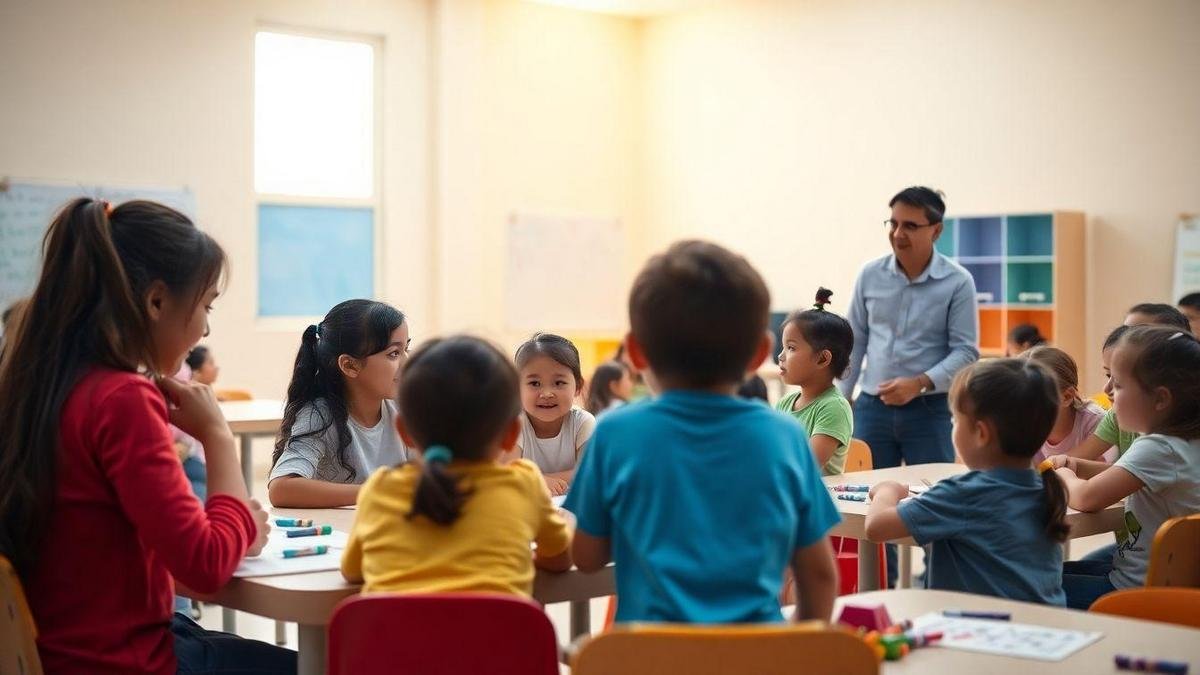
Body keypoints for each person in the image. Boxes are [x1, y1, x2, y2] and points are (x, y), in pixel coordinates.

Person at [0, 198, 293, 673]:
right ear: (157, 301)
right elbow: (204, 564)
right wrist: (217, 435)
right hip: (121, 659)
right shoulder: (121, 400)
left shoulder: (39, 386)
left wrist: (226, 528)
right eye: (204, 306)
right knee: (324, 663)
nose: (204, 329)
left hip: (65, 647)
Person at [566, 240, 840, 624]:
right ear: (758, 353)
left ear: (636, 353)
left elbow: (588, 557)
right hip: (754, 659)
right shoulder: (784, 437)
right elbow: (820, 578)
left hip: (645, 660)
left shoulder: (615, 432)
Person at [341, 335, 573, 595]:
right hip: (498, 635)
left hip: (401, 636)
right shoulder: (524, 484)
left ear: (403, 432)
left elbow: (353, 572)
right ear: (511, 435)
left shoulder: (381, 489)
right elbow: (559, 560)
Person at [842, 186, 980, 584]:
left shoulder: (958, 282)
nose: (898, 233)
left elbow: (966, 352)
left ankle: (936, 587)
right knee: (870, 506)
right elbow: (856, 339)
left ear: (935, 231)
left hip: (929, 410)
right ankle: (879, 591)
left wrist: (919, 383)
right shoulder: (870, 273)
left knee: (933, 504)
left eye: (910, 226)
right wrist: (843, 398)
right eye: (893, 223)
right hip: (871, 407)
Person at [866, 359, 1068, 605]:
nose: (953, 426)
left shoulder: (965, 493)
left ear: (981, 433)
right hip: (1043, 628)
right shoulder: (1045, 487)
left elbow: (876, 527)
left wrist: (887, 491)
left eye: (955, 420)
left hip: (981, 633)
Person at [1053, 326, 1200, 609]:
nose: (1106, 391)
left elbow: (1086, 498)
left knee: (1026, 585)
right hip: (1161, 584)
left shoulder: (1159, 448)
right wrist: (1077, 465)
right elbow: (1124, 476)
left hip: (1138, 592)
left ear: (1160, 399)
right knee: (1047, 576)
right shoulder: (1182, 444)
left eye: (1117, 384)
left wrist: (1064, 474)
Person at [268, 299, 412, 508]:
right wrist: (376, 490)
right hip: (338, 536)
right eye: (394, 354)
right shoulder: (320, 416)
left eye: (407, 348)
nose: (407, 361)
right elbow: (281, 489)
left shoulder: (403, 408)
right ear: (350, 365)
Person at [776, 287, 855, 475]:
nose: (780, 356)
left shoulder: (834, 408)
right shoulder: (784, 404)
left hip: (815, 501)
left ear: (822, 359)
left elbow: (803, 468)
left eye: (791, 348)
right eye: (783, 347)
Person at [509, 333, 596, 495]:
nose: (547, 393)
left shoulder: (583, 422)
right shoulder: (515, 423)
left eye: (559, 383)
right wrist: (539, 480)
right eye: (535, 383)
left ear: (577, 386)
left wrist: (538, 479)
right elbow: (507, 473)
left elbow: (589, 474)